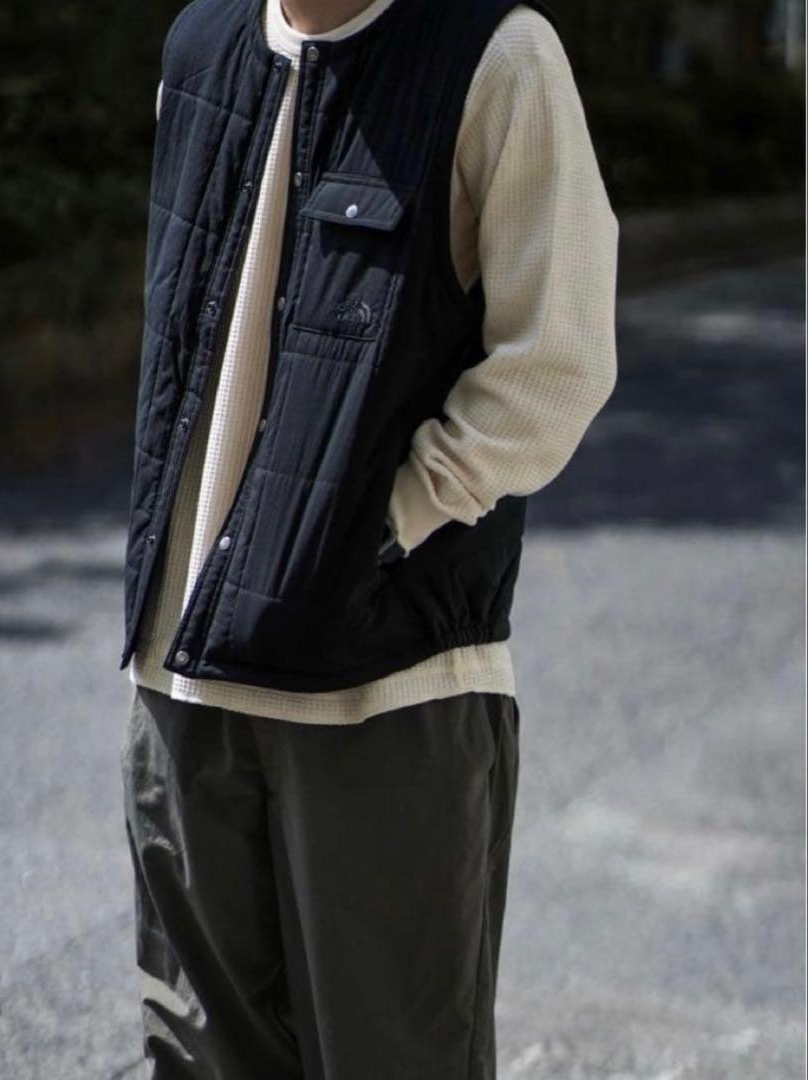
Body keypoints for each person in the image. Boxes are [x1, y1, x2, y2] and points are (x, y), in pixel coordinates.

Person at [120, 0, 618, 1075]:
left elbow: (558, 359)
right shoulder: (200, 48)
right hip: (178, 688)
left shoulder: (496, 59)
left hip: (380, 697)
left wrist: (384, 528)